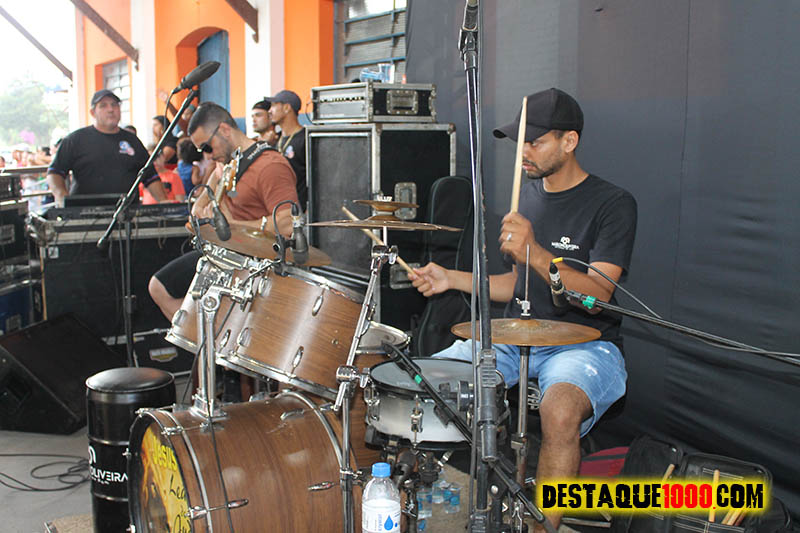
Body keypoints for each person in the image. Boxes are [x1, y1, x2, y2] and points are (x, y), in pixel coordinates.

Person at [408, 88, 637, 532]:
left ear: (569, 141)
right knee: (427, 380)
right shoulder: (525, 198)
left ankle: (542, 526)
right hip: (517, 336)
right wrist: (451, 279)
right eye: (520, 143)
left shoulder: (613, 204)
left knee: (559, 411)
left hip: (587, 344)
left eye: (536, 142)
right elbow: (517, 285)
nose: (524, 153)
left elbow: (598, 294)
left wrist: (534, 250)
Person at [148, 102, 298, 322]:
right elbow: (215, 179)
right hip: (227, 253)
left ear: (225, 130)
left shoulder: (270, 166)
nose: (207, 156)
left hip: (256, 265)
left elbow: (288, 224)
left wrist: (233, 225)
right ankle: (206, 338)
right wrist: (200, 205)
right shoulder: (229, 159)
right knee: (159, 287)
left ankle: (213, 338)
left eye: (207, 147)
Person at [46, 89, 167, 205]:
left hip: (127, 212)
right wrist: (61, 196)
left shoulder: (133, 141)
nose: (110, 109)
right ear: (92, 112)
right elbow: (55, 172)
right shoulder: (75, 140)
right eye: (103, 106)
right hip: (84, 212)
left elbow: (150, 177)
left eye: (114, 105)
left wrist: (163, 201)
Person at [268, 90, 306, 208]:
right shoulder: (276, 139)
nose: (269, 111)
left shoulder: (305, 138)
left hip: (300, 210)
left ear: (286, 108)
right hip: (280, 207)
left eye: (274, 105)